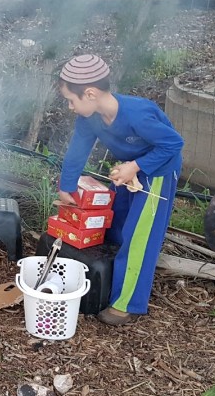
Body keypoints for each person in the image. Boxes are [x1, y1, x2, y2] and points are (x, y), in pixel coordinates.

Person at [56, 54, 183, 326]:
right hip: (130, 170)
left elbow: (173, 144)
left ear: (90, 94)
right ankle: (111, 273)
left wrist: (136, 166)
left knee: (140, 237)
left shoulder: (138, 114)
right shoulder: (90, 118)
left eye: (71, 100)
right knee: (119, 223)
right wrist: (67, 186)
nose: (69, 106)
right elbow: (78, 149)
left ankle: (125, 304)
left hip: (158, 171)